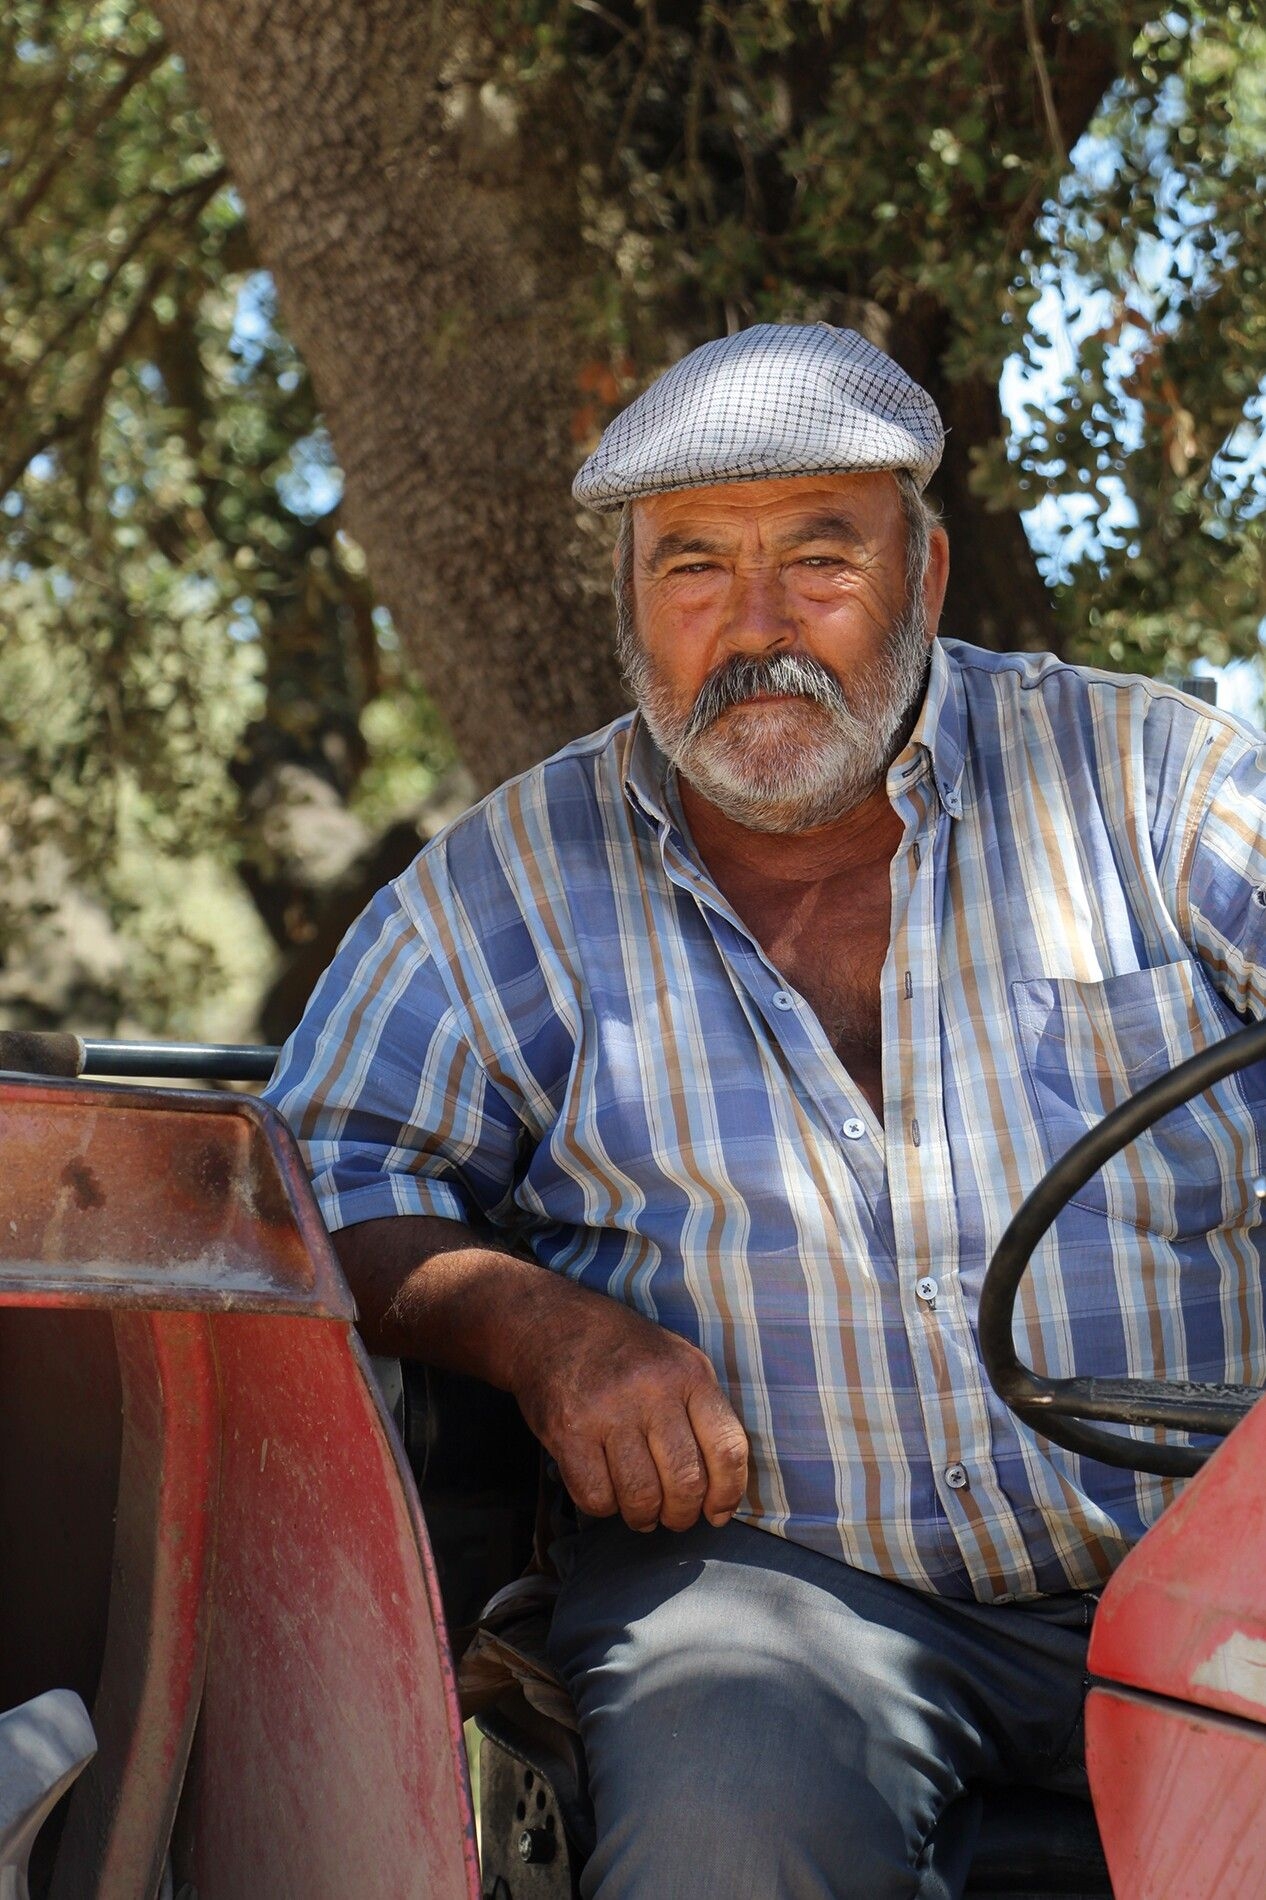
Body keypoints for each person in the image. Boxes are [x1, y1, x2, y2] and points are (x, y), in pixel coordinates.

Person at [264, 322, 1266, 1898]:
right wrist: (547, 1333)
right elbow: (313, 1174)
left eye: (818, 558)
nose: (754, 629)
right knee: (725, 1848)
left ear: (923, 579)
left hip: (1216, 1557)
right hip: (783, 1584)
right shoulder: (513, 883)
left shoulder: (1138, 779)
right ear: (628, 604)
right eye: (690, 570)